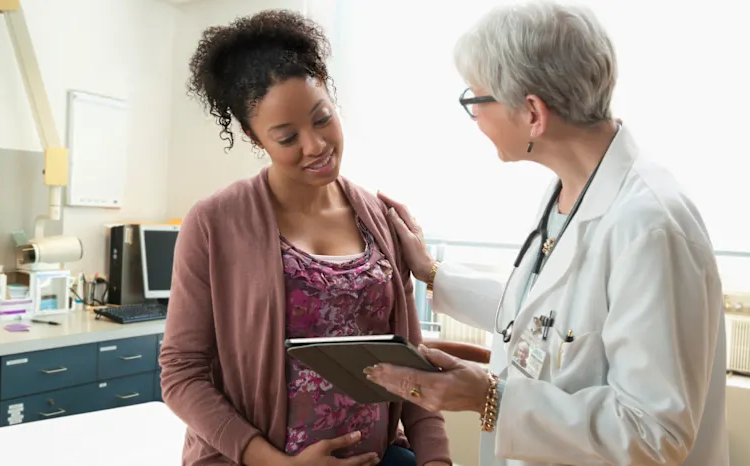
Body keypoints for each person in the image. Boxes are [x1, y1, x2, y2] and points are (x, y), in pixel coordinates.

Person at [364, 2, 729, 466]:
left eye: (476, 100)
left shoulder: (649, 227)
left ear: (533, 113)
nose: (475, 118)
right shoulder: (574, 189)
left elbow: (654, 433)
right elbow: (552, 318)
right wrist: (433, 273)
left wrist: (491, 398)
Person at [158, 9, 451, 466]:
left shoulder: (378, 216)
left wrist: (435, 459)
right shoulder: (214, 222)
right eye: (286, 136)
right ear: (255, 138)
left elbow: (410, 364)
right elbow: (181, 374)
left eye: (321, 119)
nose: (315, 145)